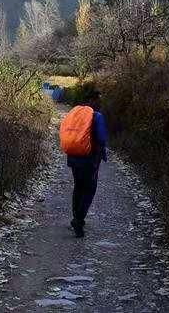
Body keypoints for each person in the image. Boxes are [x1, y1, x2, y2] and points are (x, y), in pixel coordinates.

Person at [66, 92, 108, 238]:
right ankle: (79, 219)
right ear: (95, 102)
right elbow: (102, 139)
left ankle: (76, 216)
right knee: (89, 189)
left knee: (78, 186)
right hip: (90, 160)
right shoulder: (97, 116)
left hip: (73, 156)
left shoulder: (74, 114)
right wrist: (101, 154)